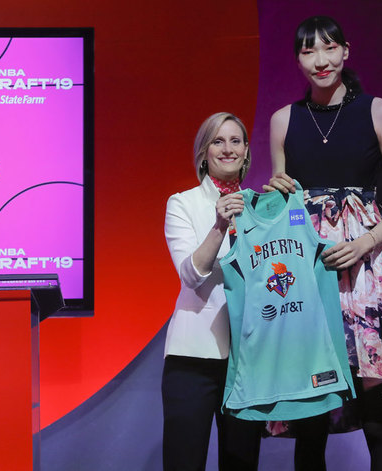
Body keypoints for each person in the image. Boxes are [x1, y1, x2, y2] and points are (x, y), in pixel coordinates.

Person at [264, 15, 382, 471]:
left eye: (328, 48)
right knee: (312, 420)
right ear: (299, 59)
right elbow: (283, 210)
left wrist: (363, 243)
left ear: (345, 51)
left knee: (376, 419)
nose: (320, 61)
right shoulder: (284, 120)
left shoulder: (379, 112)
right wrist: (272, 197)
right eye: (308, 51)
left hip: (370, 274)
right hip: (310, 274)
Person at [163, 112, 263, 470]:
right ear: (203, 153)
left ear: (246, 152)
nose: (227, 149)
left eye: (236, 141)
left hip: (248, 358)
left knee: (241, 463)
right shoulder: (182, 203)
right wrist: (220, 225)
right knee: (183, 462)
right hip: (193, 357)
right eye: (218, 141)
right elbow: (191, 275)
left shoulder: (260, 207)